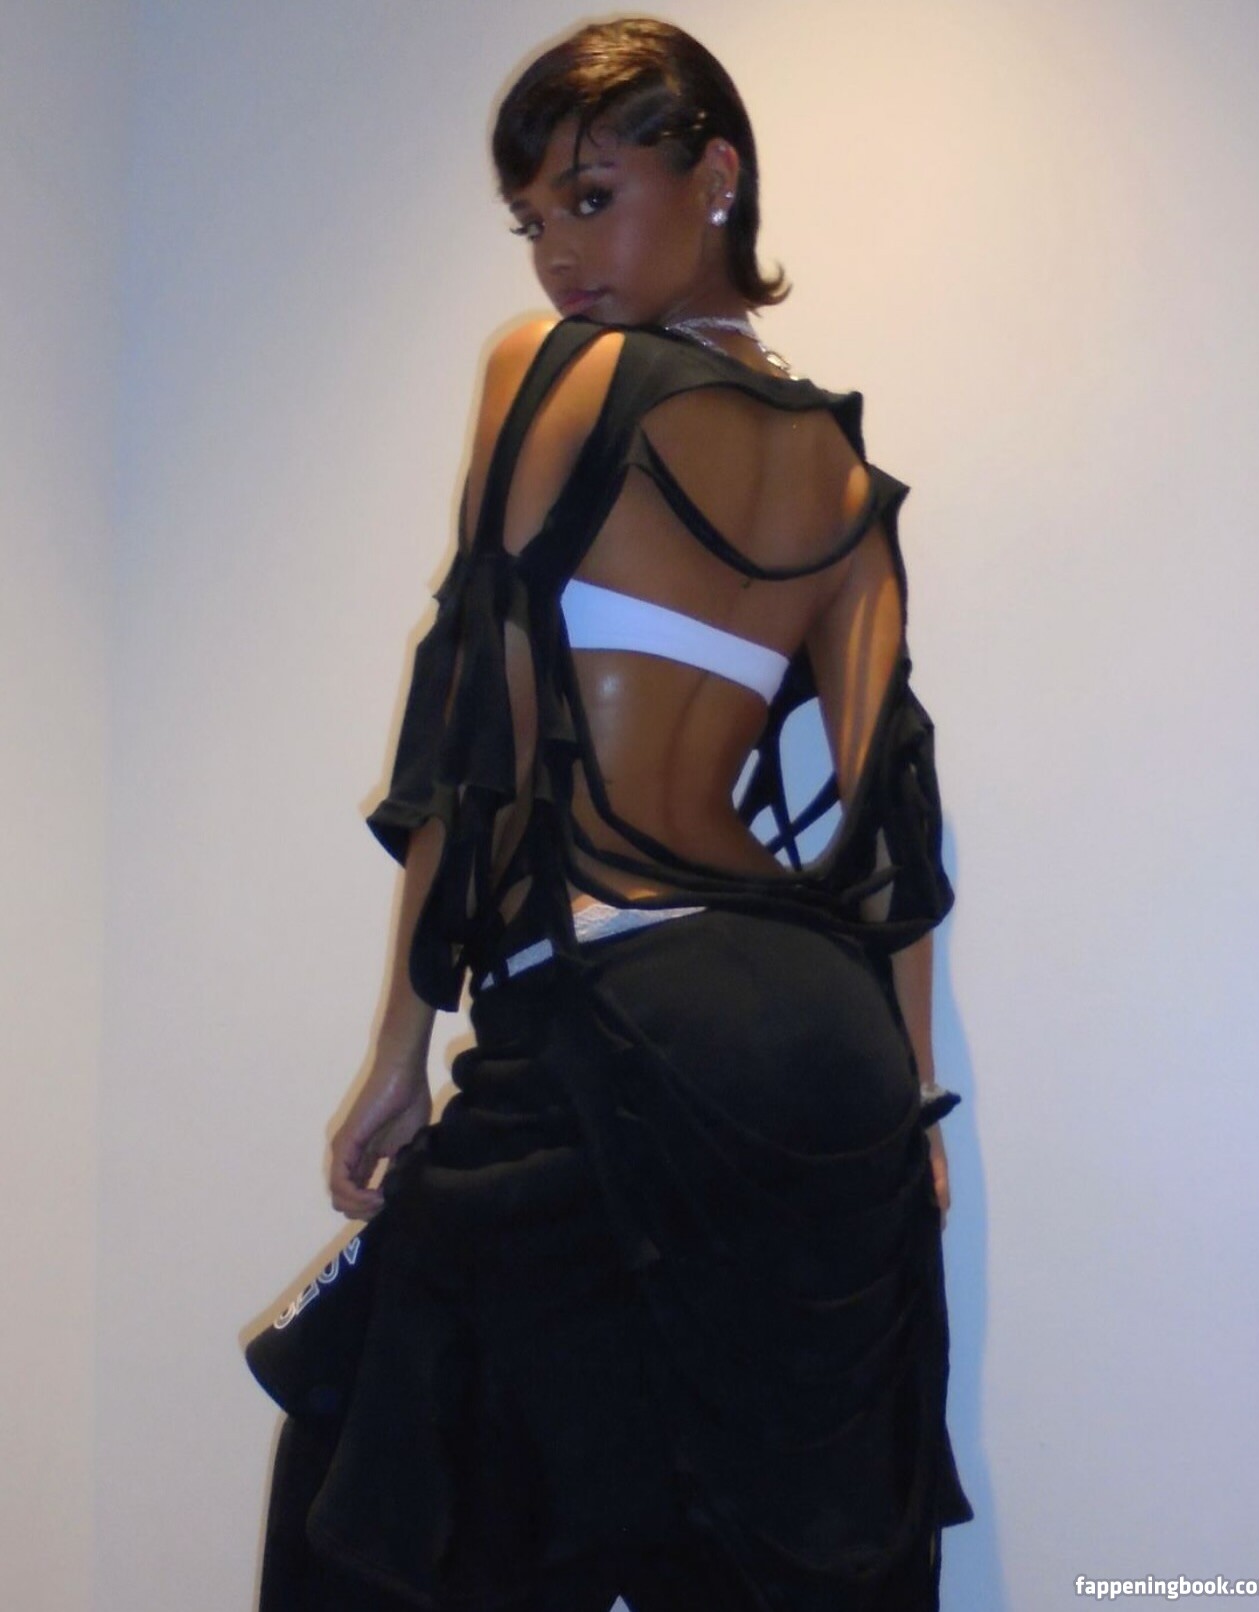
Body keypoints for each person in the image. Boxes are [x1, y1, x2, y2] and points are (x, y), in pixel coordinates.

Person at [257, 17, 972, 1611]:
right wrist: (908, 1102)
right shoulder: (844, 477)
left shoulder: (547, 375)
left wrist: (399, 1045)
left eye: (591, 198)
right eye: (532, 221)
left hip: (617, 1012)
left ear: (716, 175)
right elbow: (889, 823)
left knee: (381, 1498)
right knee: (741, 1537)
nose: (556, 257)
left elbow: (478, 731)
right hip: (821, 1051)